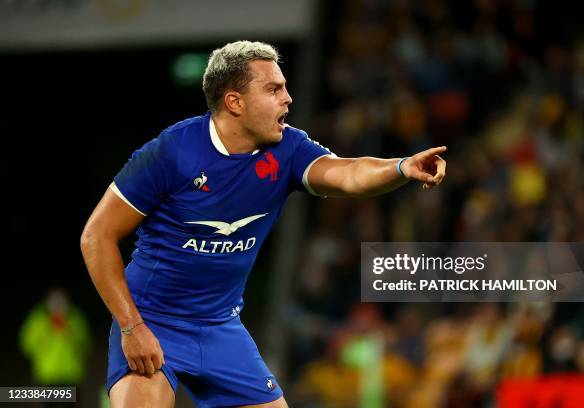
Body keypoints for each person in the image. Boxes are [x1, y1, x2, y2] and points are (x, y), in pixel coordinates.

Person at [80, 40, 447, 408]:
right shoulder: (172, 152)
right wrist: (131, 326)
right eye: (273, 89)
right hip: (153, 321)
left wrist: (401, 166)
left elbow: (349, 173)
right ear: (235, 102)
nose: (288, 99)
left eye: (285, 87)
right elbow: (96, 235)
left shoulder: (288, 149)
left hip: (220, 328)